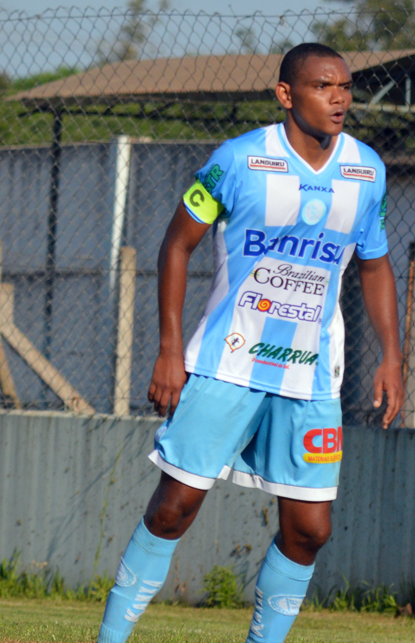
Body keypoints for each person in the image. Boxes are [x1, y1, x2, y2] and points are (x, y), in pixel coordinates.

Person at [97, 42, 404, 643]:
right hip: (225, 365)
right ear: (287, 95)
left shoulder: (367, 170)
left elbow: (375, 266)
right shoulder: (238, 160)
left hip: (312, 376)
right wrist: (168, 349)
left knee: (311, 530)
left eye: (345, 87)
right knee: (173, 508)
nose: (339, 98)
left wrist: (393, 355)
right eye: (323, 86)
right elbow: (176, 244)